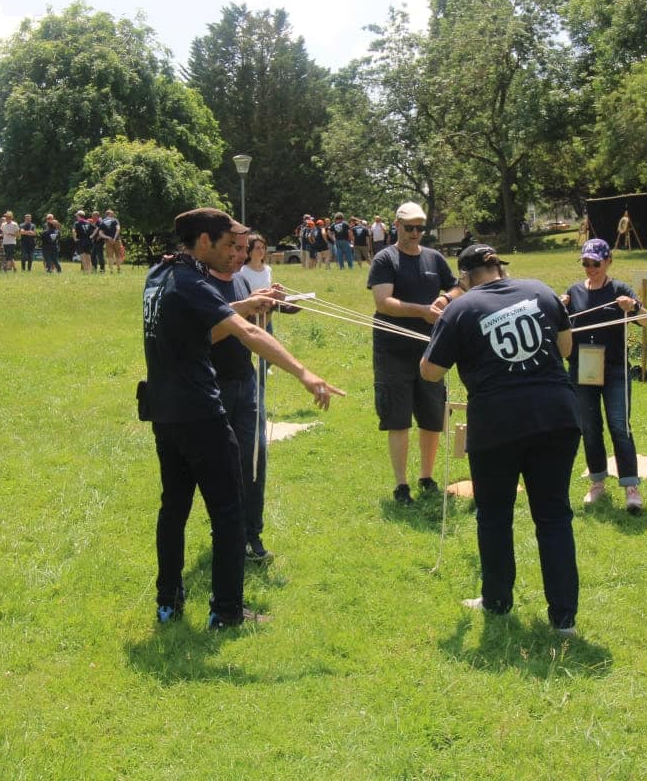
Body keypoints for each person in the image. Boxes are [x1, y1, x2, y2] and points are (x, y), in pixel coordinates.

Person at [143, 207, 343, 630]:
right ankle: (228, 612)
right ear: (203, 242)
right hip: (201, 414)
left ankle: (168, 604)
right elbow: (248, 332)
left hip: (165, 413)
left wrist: (247, 304)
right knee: (229, 512)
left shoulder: (158, 278)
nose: (234, 252)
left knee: (173, 508)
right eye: (228, 244)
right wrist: (305, 373)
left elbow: (198, 328)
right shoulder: (193, 282)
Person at [421, 244, 580, 635]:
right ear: (499, 269)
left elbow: (430, 372)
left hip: (497, 425)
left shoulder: (460, 310)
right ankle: (563, 620)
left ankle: (497, 601)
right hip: (556, 417)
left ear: (465, 277)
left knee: (494, 516)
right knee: (555, 517)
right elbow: (566, 348)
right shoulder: (542, 291)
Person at [367, 201, 460, 504]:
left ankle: (427, 477)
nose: (416, 233)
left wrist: (445, 299)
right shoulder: (385, 259)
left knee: (433, 415)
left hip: (430, 348)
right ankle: (401, 485)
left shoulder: (434, 258)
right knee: (398, 417)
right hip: (392, 349)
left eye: (421, 228)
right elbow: (384, 302)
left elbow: (459, 286)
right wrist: (421, 311)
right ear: (397, 226)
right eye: (410, 228)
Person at [562, 238, 645, 513]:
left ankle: (631, 486)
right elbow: (557, 327)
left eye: (595, 263)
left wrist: (631, 306)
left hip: (614, 368)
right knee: (589, 427)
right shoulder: (573, 292)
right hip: (582, 366)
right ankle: (597, 482)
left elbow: (646, 320)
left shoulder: (620, 289)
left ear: (608, 261)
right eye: (585, 263)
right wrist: (560, 307)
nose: (590, 268)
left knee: (620, 425)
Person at [206, 230, 273, 562]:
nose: (240, 255)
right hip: (212, 387)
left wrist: (265, 308)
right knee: (222, 464)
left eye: (245, 250)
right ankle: (226, 534)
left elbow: (251, 331)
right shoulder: (201, 284)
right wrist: (244, 308)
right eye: (234, 247)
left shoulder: (241, 282)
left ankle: (252, 535)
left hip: (246, 384)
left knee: (254, 459)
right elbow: (206, 332)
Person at [101, 209, 125, 273]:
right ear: (111, 214)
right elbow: (118, 229)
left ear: (106, 214)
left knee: (110, 255)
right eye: (113, 214)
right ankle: (118, 269)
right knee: (118, 254)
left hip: (108, 241)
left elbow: (100, 233)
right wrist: (114, 238)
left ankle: (111, 270)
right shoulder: (115, 220)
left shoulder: (102, 221)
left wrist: (108, 237)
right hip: (117, 240)